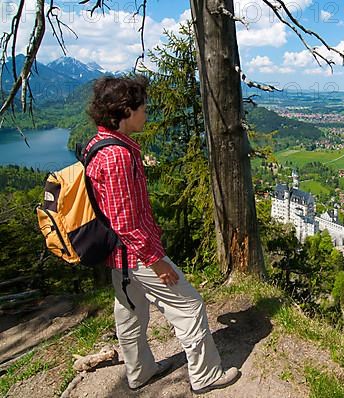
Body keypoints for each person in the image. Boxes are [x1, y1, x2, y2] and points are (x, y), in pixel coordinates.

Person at [84, 76, 240, 394]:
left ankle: (140, 372)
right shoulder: (117, 156)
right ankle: (206, 376)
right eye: (143, 108)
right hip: (137, 255)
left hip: (119, 257)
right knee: (190, 306)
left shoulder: (98, 145)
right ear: (126, 111)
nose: (146, 113)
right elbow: (126, 223)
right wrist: (157, 262)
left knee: (130, 313)